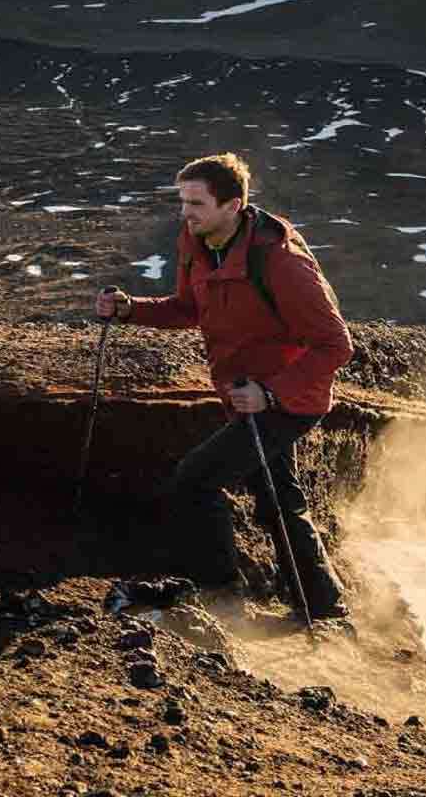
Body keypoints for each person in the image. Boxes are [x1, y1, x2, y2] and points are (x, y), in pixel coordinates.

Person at [96, 152, 352, 619]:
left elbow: (336, 345)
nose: (186, 213)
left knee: (194, 481)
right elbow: (188, 308)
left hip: (287, 400)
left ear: (233, 206)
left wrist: (270, 394)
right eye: (183, 202)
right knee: (278, 498)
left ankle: (222, 596)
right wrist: (132, 309)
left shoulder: (280, 262)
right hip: (244, 397)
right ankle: (325, 609)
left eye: (196, 203)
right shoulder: (198, 243)